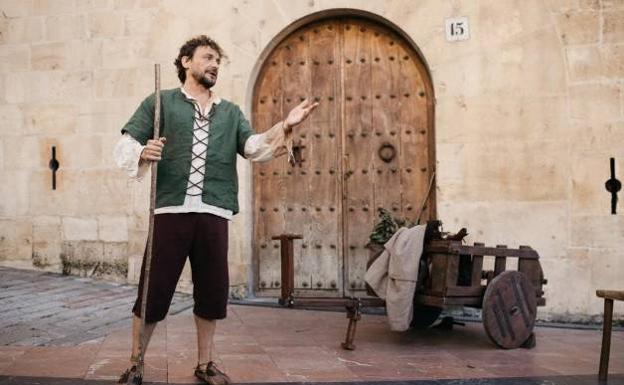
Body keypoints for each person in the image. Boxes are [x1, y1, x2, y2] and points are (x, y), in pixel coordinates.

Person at [113, 35, 318, 385]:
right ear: (185, 62)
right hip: (170, 212)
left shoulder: (231, 112)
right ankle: (136, 363)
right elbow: (127, 143)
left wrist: (285, 125)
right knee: (154, 290)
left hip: (214, 212)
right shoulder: (160, 103)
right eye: (207, 58)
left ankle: (205, 363)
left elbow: (253, 147)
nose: (214, 65)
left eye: (218, 61)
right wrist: (142, 153)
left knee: (211, 291)